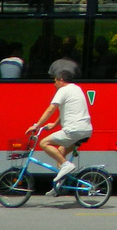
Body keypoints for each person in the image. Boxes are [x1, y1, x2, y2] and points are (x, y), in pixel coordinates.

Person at [27, 67, 92, 195]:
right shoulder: (76, 89)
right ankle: (58, 187)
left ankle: (66, 166)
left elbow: (50, 109)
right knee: (60, 151)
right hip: (86, 130)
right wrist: (54, 124)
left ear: (61, 80)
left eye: (55, 81)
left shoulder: (63, 90)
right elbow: (66, 110)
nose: (54, 84)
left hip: (73, 130)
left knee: (44, 143)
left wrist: (37, 125)